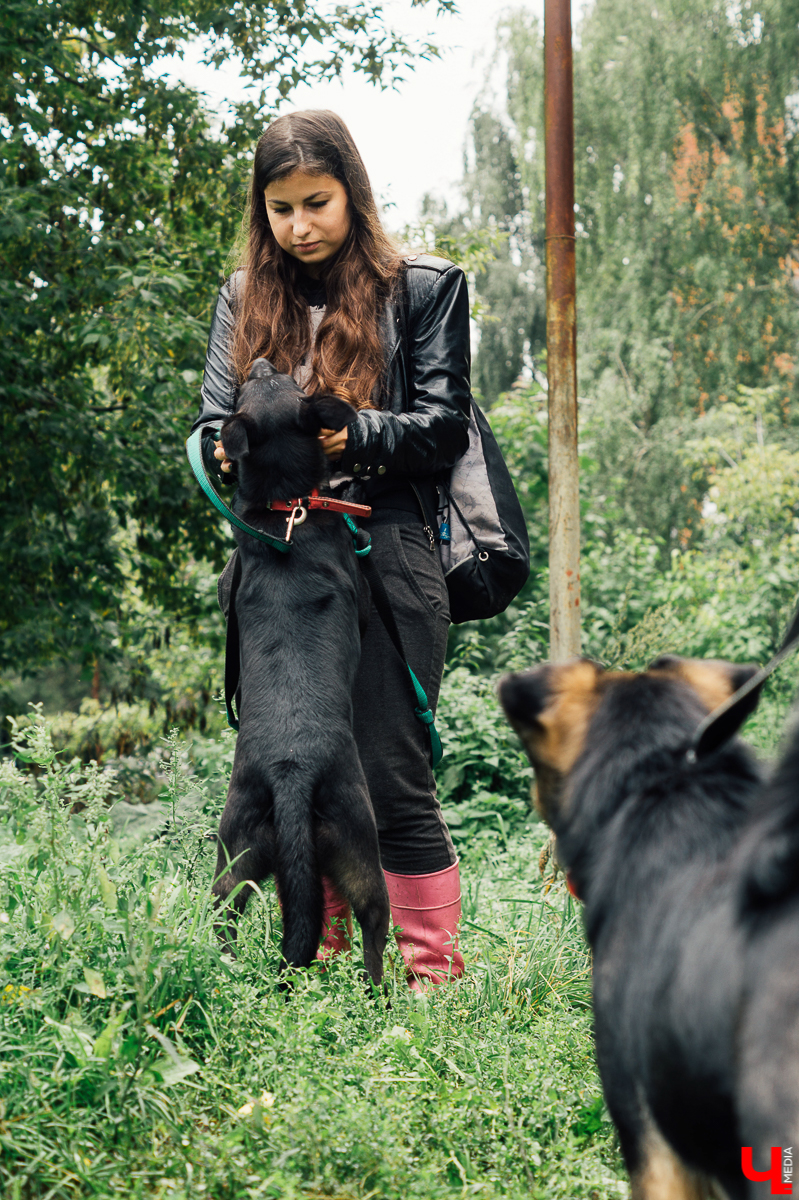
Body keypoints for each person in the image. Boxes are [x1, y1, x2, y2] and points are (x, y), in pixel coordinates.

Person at [192, 109, 471, 989]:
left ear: (352, 190)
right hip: (277, 563)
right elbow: (207, 427)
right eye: (280, 208)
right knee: (291, 760)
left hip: (386, 553)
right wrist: (223, 448)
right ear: (261, 209)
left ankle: (429, 980)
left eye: (316, 202)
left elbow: (444, 427)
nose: (299, 226)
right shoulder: (243, 295)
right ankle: (324, 971)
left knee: (388, 771)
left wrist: (362, 438)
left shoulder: (421, 286)